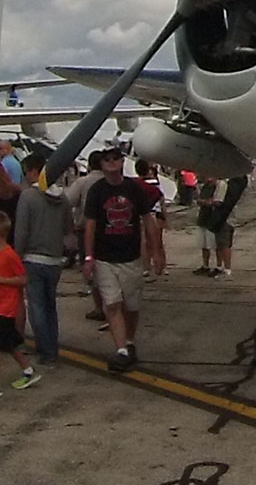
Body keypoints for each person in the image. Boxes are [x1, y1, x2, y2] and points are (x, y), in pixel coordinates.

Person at [81, 146, 160, 372]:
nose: (112, 162)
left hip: (131, 256)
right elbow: (90, 225)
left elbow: (148, 220)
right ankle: (121, 350)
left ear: (123, 161)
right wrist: (88, 256)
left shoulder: (134, 188)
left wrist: (156, 251)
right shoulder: (97, 191)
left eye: (116, 158)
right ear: (102, 164)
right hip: (105, 257)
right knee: (112, 303)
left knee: (132, 305)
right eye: (107, 159)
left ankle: (130, 341)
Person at [11, 154, 68, 365]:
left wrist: (17, 255)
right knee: (50, 305)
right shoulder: (62, 198)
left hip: (33, 258)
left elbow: (22, 230)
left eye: (26, 171)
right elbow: (68, 227)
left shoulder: (28, 197)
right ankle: (52, 346)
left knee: (37, 307)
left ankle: (46, 351)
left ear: (35, 171)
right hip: (54, 259)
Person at [0, 211, 39, 399]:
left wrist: (2, 280)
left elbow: (23, 279)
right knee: (10, 342)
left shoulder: (10, 255)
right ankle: (27, 370)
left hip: (8, 305)